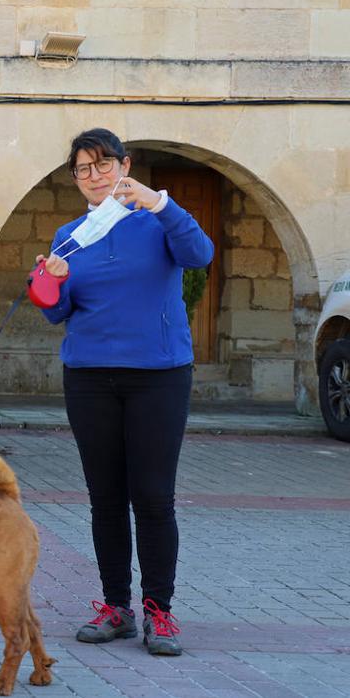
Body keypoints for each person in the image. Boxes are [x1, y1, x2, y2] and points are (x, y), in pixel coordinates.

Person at [35, 128, 213, 657]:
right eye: (83, 169)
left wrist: (160, 202)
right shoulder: (70, 234)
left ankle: (161, 610)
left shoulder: (155, 221)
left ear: (124, 165)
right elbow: (55, 310)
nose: (94, 176)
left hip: (158, 375)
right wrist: (50, 281)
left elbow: (199, 254)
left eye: (103, 164)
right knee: (105, 499)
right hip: (90, 377)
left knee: (153, 498)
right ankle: (116, 607)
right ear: (76, 179)